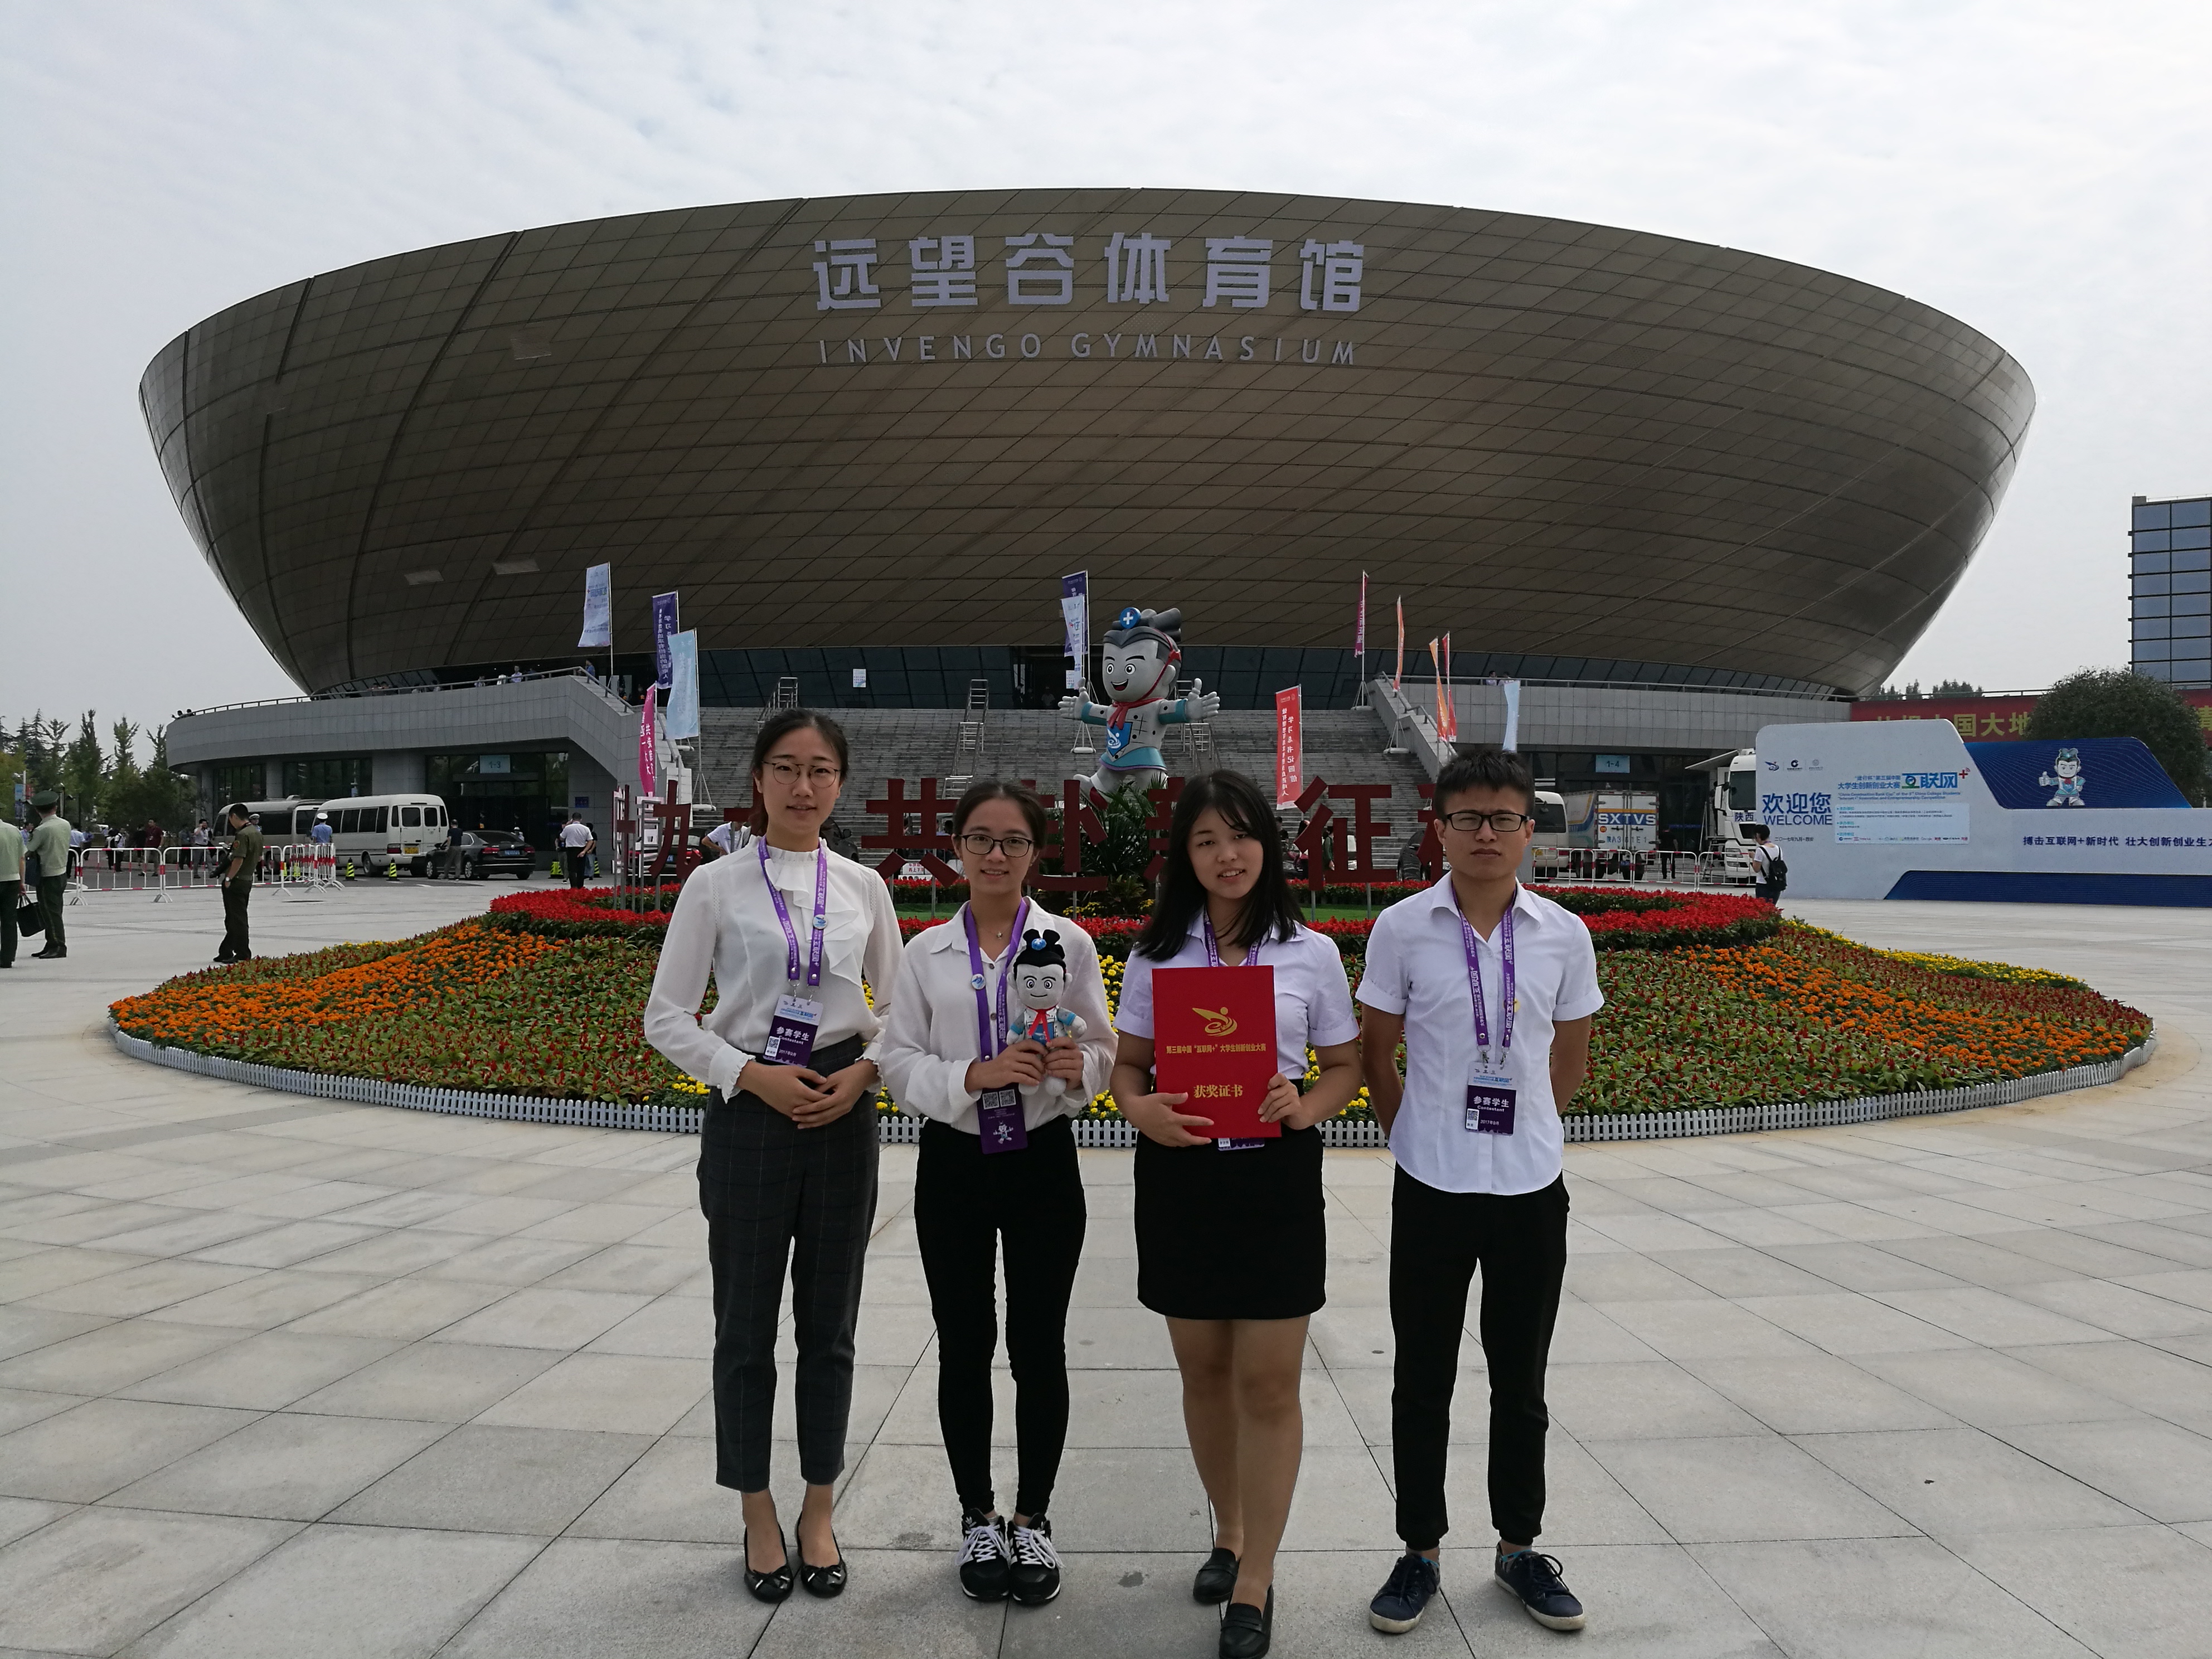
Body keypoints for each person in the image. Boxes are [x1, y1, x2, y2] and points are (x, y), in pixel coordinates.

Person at [643, 710, 903, 1605]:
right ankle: (757, 1509)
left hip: (840, 1106)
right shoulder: (714, 885)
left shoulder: (864, 887)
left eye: (820, 770)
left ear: (840, 784)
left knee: (830, 1325)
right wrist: (749, 1076)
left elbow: (901, 1011)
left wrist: (864, 1073)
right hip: (751, 1113)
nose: (803, 786)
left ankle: (818, 1507)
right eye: (786, 768)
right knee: (746, 1325)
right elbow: (667, 1016)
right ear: (757, 781)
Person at [1110, 768, 1362, 1659]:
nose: (1228, 855)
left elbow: (1344, 1068)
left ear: (1269, 846)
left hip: (1273, 1181)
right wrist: (1137, 1109)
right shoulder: (1158, 953)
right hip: (1181, 1177)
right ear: (1185, 854)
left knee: (1268, 1381)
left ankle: (1256, 1577)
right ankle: (1229, 1530)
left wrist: (1306, 1105)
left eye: (1243, 835)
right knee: (1206, 1372)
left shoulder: (1310, 952)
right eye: (1208, 839)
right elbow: (1128, 1066)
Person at [1356, 748, 1603, 1637]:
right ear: (1442, 830)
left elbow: (1569, 1056)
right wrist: (1411, 1133)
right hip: (1432, 1184)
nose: (1486, 834)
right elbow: (1376, 1049)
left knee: (1521, 1380)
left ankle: (1518, 1548)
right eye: (1469, 818)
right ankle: (1419, 1550)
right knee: (1421, 1379)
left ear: (1529, 831)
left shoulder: (1564, 934)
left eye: (1504, 818)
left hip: (1530, 1185)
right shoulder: (1402, 928)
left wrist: (1532, 1123)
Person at [877, 780, 1115, 1608]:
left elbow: (1104, 1049)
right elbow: (897, 1062)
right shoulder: (925, 953)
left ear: (1035, 853)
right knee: (964, 1340)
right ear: (956, 848)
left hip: (1042, 1160)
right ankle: (978, 1516)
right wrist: (973, 1076)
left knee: (1039, 1343)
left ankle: (1033, 1518)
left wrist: (1077, 1069)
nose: (995, 854)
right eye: (979, 838)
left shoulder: (1067, 942)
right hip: (955, 1161)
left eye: (1013, 841)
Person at [214, 802, 263, 964]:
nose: (231, 822)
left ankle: (243, 953)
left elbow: (238, 859)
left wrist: (228, 878)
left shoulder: (242, 835)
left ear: (234, 816)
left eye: (230, 819)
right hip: (247, 879)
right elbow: (259, 857)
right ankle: (226, 950)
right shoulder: (256, 833)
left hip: (237, 881)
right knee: (233, 918)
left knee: (237, 919)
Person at [26, 792, 71, 960]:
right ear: (56, 807)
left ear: (37, 810)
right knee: (55, 910)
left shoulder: (42, 830)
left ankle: (58, 945)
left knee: (49, 912)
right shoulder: (65, 824)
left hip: (47, 874)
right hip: (61, 872)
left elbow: (28, 850)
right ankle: (51, 943)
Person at [0, 812, 22, 968]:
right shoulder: (14, 830)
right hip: (13, 879)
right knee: (9, 919)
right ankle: (7, 957)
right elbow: (22, 858)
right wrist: (22, 881)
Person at [1748, 825, 1784, 903]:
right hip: (1776, 884)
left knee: (1762, 908)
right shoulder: (1778, 849)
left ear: (1758, 835)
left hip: (1763, 884)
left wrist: (1753, 857)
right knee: (1772, 908)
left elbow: (1757, 869)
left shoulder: (1760, 850)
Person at [558, 813, 594, 888]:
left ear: (572, 819)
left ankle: (574, 886)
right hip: (582, 849)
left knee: (572, 869)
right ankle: (580, 886)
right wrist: (584, 851)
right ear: (581, 819)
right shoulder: (586, 828)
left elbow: (561, 838)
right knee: (581, 869)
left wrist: (567, 825)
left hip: (571, 850)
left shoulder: (568, 828)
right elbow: (591, 841)